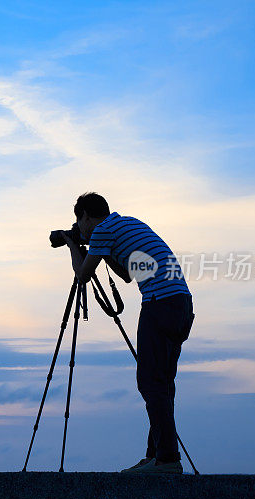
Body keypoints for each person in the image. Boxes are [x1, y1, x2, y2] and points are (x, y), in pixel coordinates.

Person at [61, 192, 195, 474]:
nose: (81, 227)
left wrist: (72, 244)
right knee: (162, 383)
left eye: (79, 221)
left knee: (151, 383)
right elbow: (126, 274)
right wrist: (101, 250)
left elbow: (82, 275)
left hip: (160, 303)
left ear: (85, 215)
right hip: (180, 304)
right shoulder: (125, 225)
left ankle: (167, 459)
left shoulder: (102, 230)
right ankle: (157, 455)